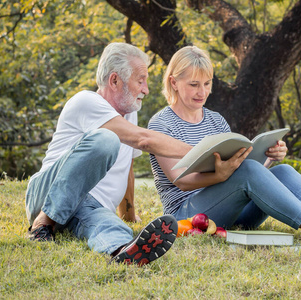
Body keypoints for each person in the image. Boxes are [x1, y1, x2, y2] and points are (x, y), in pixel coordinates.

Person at [148, 45, 301, 250]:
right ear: (173, 82)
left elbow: (244, 172)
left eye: (207, 83)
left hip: (237, 213)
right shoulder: (160, 123)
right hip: (189, 215)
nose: (201, 91)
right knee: (247, 171)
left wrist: (269, 158)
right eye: (193, 84)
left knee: (283, 171)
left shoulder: (216, 120)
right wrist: (221, 174)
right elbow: (180, 181)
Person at [25, 42, 193, 266]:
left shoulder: (129, 113)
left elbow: (127, 168)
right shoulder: (86, 101)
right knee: (106, 139)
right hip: (47, 194)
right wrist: (202, 151)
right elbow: (144, 140)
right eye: (140, 80)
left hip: (86, 207)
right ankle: (43, 223)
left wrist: (129, 215)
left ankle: (123, 251)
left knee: (107, 223)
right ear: (115, 80)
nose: (146, 89)